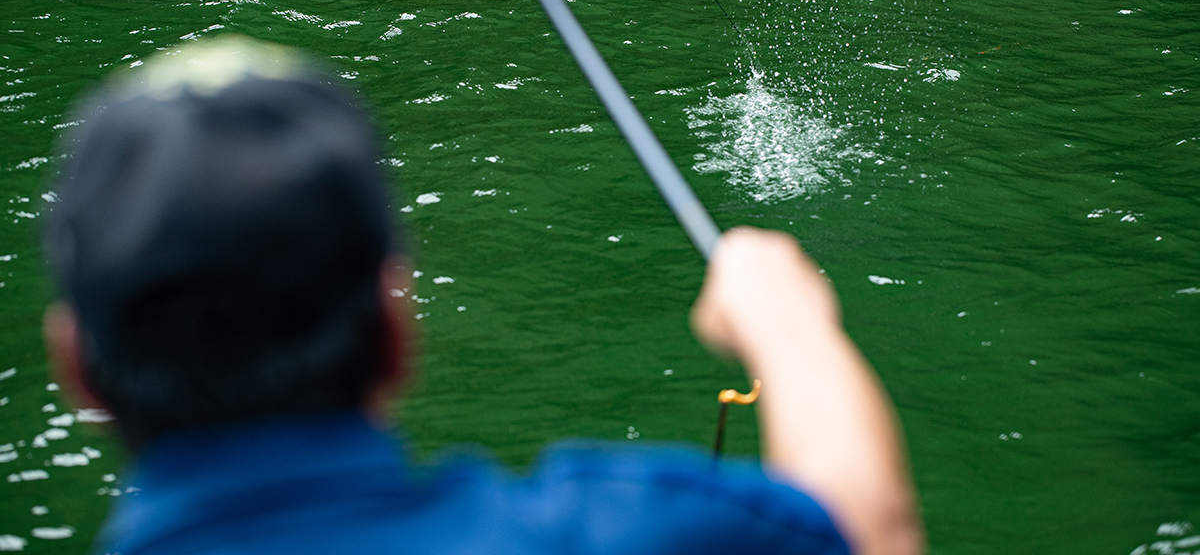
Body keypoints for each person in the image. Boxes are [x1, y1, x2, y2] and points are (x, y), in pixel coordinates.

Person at [42, 36, 923, 555]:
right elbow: (861, 522)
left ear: (78, 368)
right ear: (396, 328)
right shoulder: (611, 530)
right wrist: (787, 322)